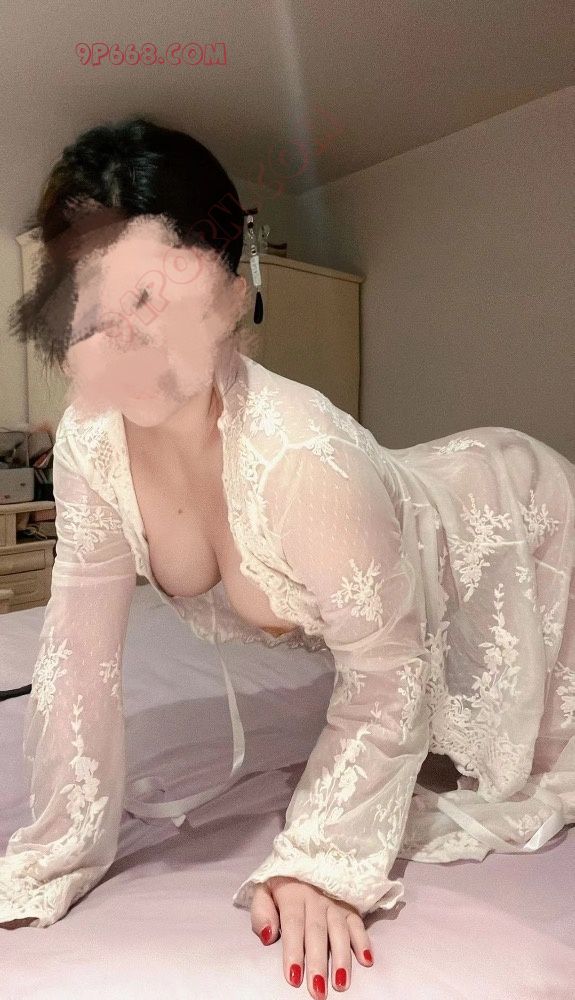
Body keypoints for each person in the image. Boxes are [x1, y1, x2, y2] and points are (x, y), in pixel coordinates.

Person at [1, 117, 574, 1000]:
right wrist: (51, 855)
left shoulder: (303, 455)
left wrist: (320, 858)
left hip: (509, 514)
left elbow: (387, 674)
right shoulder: (88, 440)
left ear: (229, 290)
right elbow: (77, 656)